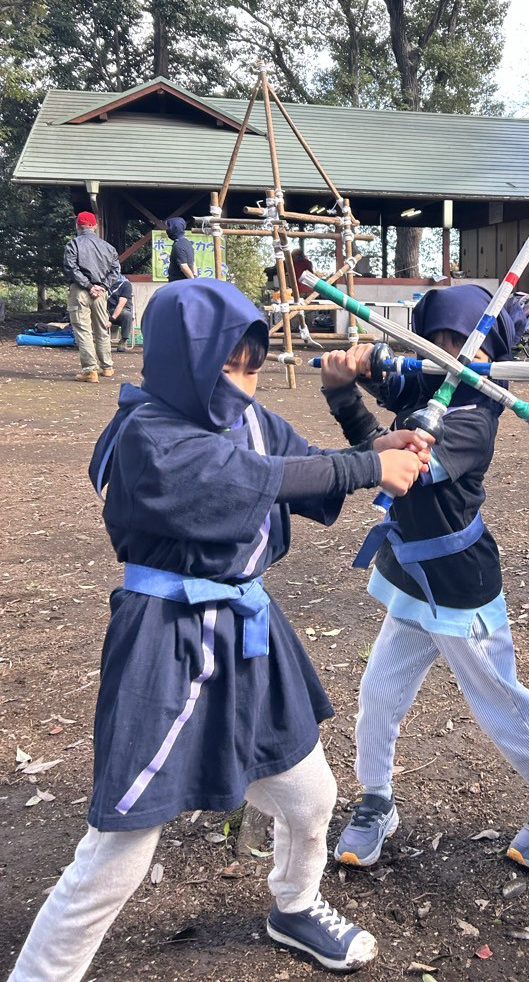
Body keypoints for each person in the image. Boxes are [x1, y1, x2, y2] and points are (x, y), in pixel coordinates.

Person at [5, 279, 428, 980]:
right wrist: (369, 465)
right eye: (224, 367)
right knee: (122, 846)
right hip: (165, 641)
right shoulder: (146, 434)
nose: (240, 384)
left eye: (250, 366)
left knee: (310, 797)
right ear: (180, 361)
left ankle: (295, 905)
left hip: (248, 632)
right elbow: (250, 478)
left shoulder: (254, 420)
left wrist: (383, 446)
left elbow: (304, 467)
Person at [319, 285, 529, 873]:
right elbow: (393, 386)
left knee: (498, 700)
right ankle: (376, 799)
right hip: (413, 579)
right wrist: (358, 368)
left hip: (460, 587)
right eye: (435, 341)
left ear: (493, 355)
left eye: (464, 345)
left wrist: (343, 400)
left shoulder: (474, 420)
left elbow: (395, 467)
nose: (447, 353)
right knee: (379, 692)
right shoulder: (425, 384)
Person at [64, 211, 120, 383]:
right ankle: (107, 367)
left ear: (77, 226)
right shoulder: (108, 247)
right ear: (95, 226)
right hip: (101, 293)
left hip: (80, 291)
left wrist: (88, 286)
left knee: (83, 330)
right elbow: (115, 270)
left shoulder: (73, 244)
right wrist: (102, 286)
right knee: (102, 329)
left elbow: (71, 268)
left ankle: (90, 370)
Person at [107, 274, 135, 350]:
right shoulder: (103, 283)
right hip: (107, 310)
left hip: (121, 310)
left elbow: (121, 305)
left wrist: (111, 320)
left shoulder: (125, 284)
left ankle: (123, 340)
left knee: (127, 315)